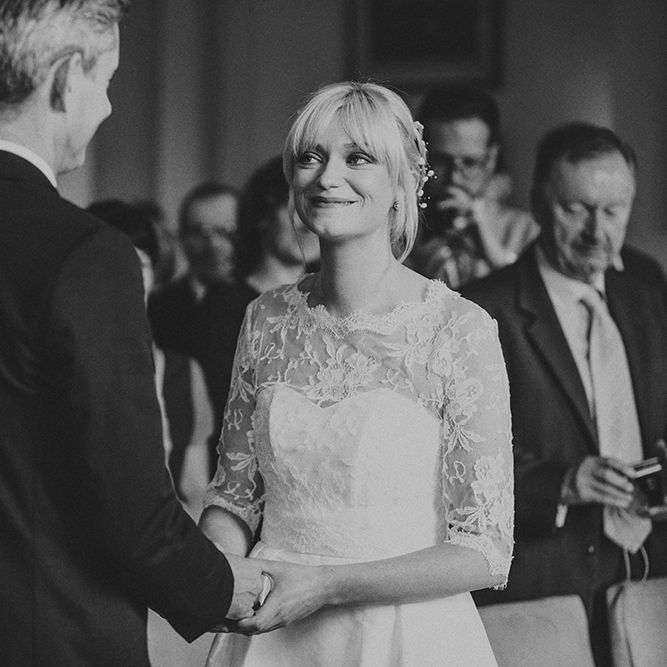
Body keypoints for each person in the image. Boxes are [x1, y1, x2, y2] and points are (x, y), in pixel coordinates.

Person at [199, 81, 514, 666]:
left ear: (403, 181)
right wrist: (221, 569)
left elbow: (485, 550)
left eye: (358, 158)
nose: (327, 177)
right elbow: (234, 496)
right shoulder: (265, 319)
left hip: (405, 637)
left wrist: (325, 586)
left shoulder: (458, 329)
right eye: (311, 157)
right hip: (270, 635)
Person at [0, 2, 270, 664]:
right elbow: (130, 508)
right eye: (107, 81)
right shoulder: (84, 254)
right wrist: (227, 587)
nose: (109, 107)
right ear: (65, 78)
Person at [462, 122, 667, 666]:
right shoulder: (481, 310)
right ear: (537, 203)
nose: (598, 231)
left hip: (653, 577)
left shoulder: (646, 284)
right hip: (543, 591)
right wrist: (563, 483)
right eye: (577, 209)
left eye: (614, 211)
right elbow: (458, 468)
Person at [88, 198, 212, 513]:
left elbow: (195, 492)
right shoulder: (62, 369)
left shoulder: (183, 373)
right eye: (110, 264)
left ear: (155, 274)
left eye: (139, 264)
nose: (125, 278)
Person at [148, 182, 246, 476]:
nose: (214, 244)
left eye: (227, 231)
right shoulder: (157, 306)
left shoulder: (264, 302)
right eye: (201, 233)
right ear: (181, 237)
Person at [408, 84, 538, 289]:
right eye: (442, 161)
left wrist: (493, 252)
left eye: (469, 162)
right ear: (422, 155)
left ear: (492, 158)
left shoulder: (526, 231)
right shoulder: (398, 231)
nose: (454, 177)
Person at [236, 154, 320, 295]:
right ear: (264, 214)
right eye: (296, 209)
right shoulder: (226, 302)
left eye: (318, 208)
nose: (309, 226)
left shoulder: (332, 299)